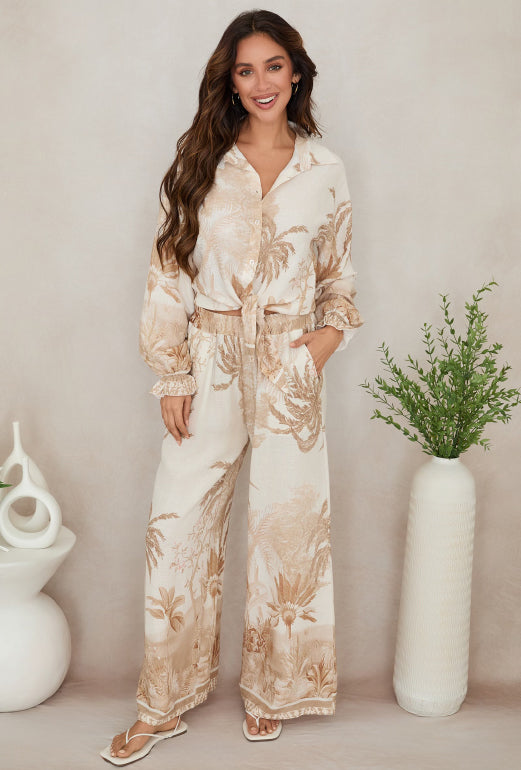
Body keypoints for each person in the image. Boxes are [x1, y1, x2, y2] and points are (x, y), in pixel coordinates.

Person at [102, 8, 363, 764]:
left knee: (286, 530)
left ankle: (275, 690)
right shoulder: (201, 162)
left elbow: (340, 277)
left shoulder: (325, 170)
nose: (260, 83)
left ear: (296, 71)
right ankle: (162, 703)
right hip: (210, 359)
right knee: (178, 525)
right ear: (229, 78)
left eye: (273, 66)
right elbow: (167, 271)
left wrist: (316, 346)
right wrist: (172, 373)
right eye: (245, 69)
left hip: (288, 364)